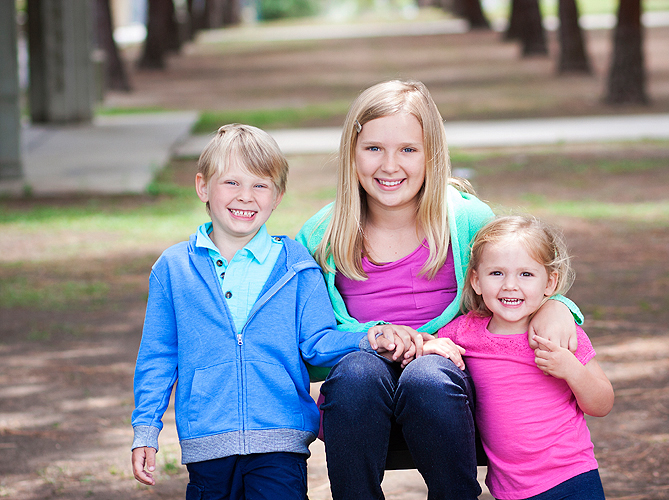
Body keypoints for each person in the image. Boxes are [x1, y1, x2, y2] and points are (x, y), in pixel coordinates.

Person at [296, 80, 585, 500]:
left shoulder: (466, 221)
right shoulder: (323, 235)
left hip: (446, 393)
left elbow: (518, 280)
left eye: (408, 150)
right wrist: (372, 338)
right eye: (373, 148)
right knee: (358, 372)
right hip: (358, 400)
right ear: (351, 153)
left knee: (427, 375)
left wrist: (557, 306)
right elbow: (310, 346)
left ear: (431, 154)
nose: (389, 165)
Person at [130, 124, 403, 500]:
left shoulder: (296, 265)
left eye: (260, 185)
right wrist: (146, 429)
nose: (246, 196)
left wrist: (366, 338)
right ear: (203, 187)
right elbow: (157, 357)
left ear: (277, 196)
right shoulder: (174, 269)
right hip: (207, 439)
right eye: (231, 183)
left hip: (280, 440)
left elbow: (316, 341)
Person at [433, 214, 614, 500]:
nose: (510, 286)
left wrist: (571, 369)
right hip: (510, 490)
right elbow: (430, 346)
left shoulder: (561, 335)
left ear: (550, 283)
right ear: (477, 281)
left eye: (526, 274)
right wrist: (430, 346)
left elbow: (602, 403)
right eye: (497, 273)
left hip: (572, 477)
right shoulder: (465, 331)